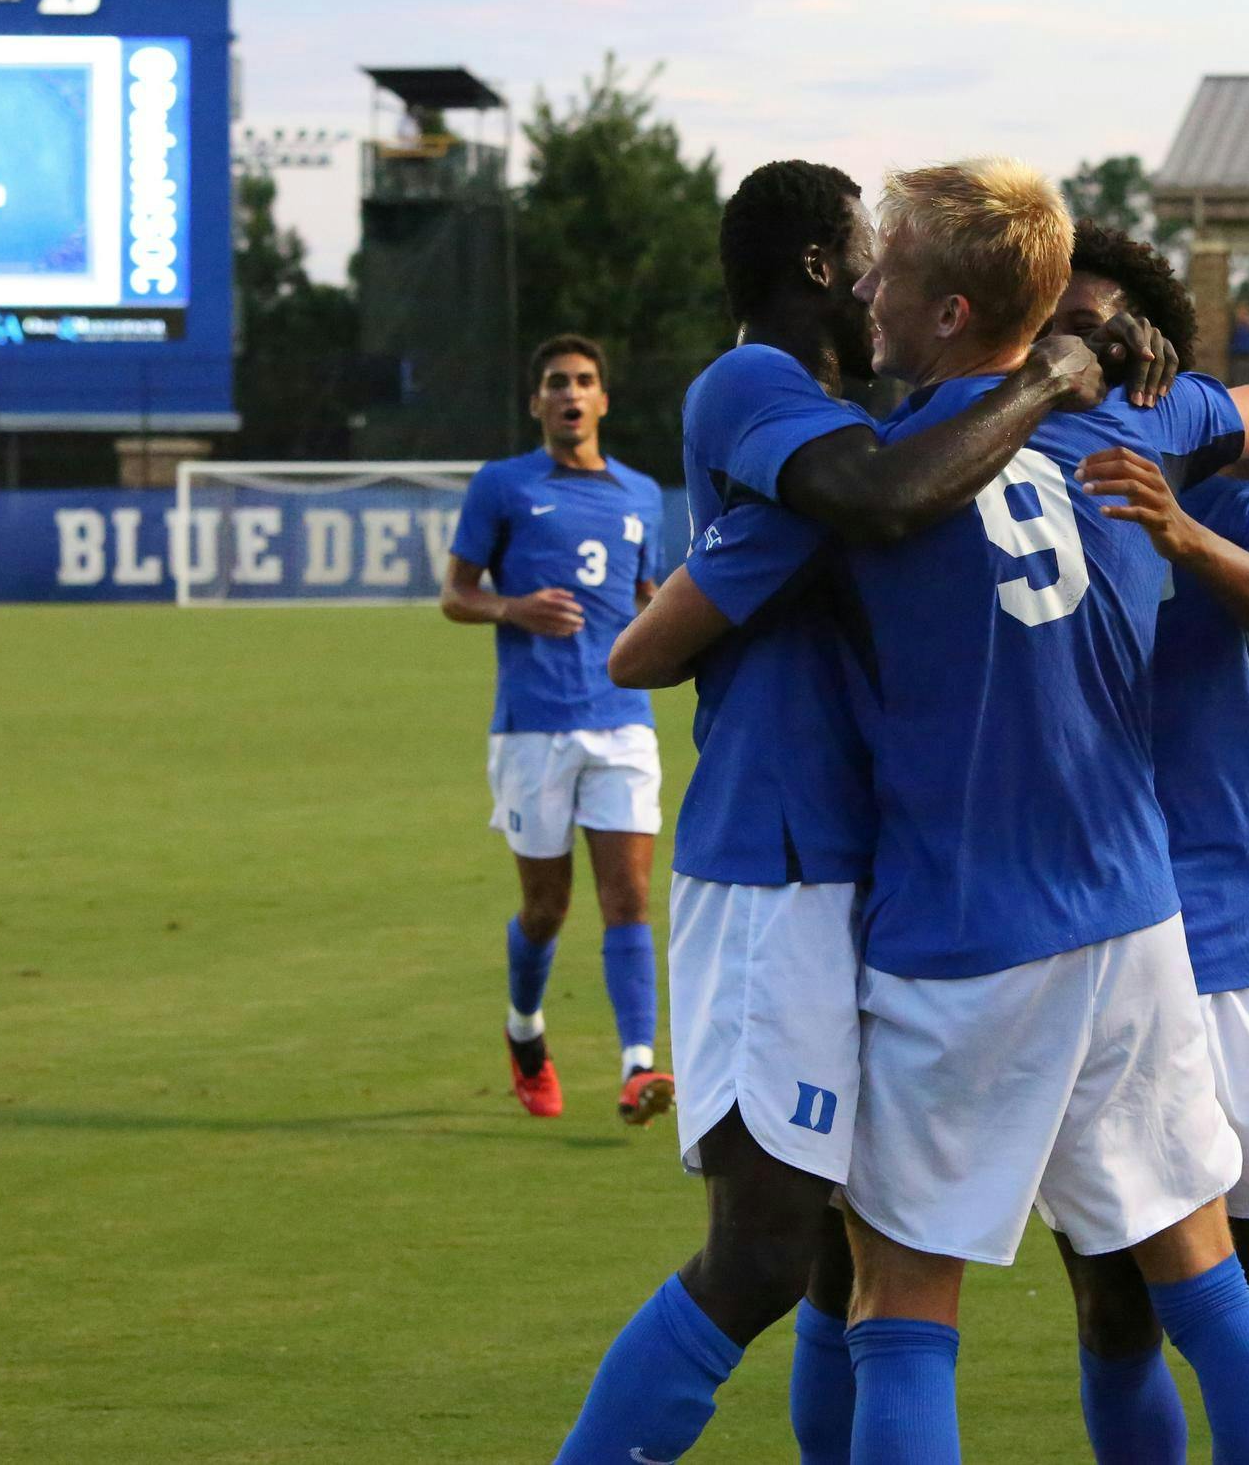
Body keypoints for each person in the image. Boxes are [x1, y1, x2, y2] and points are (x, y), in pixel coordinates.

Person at [547, 160, 1170, 1465]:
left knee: (841, 1258)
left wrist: (1120, 359)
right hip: (776, 861)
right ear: (824, 271)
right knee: (767, 1253)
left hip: (856, 870)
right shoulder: (759, 389)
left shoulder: (864, 414)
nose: (885, 279)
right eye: (867, 256)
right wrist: (1056, 375)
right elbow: (875, 503)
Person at [1043, 222, 1249, 1465]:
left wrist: (1182, 534)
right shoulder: (1011, 492)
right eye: (1061, 324)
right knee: (1113, 1305)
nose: (1082, 348)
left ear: (1157, 356)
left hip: (1223, 932)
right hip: (1085, 941)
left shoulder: (1230, 495)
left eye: (1107, 326)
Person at [440, 336, 674, 1124]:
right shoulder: (503, 487)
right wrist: (513, 608)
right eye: (554, 384)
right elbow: (454, 593)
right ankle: (525, 1030)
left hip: (621, 722)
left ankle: (638, 1066)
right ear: (536, 403)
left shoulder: (641, 494)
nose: (570, 394)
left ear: (603, 400)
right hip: (532, 728)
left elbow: (649, 595)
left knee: (630, 897)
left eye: (583, 381)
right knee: (546, 908)